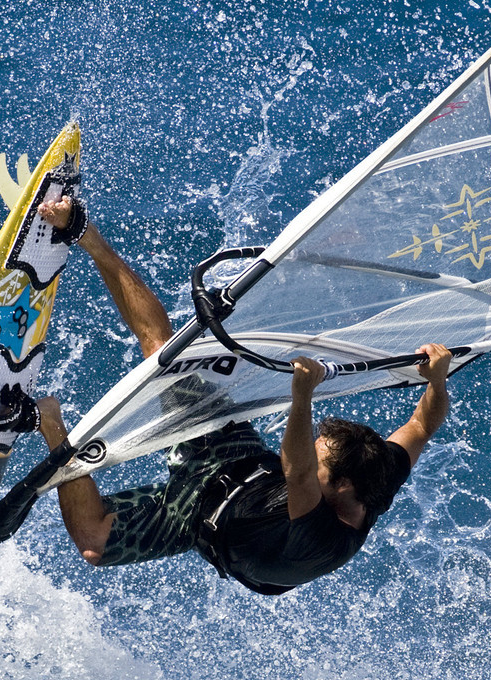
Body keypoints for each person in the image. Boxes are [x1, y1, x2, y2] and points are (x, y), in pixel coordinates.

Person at [33, 194, 453, 599]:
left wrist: (302, 396)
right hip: (235, 458)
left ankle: (47, 419)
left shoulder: (324, 537)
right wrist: (437, 379)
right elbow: (421, 425)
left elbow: (298, 472)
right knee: (165, 354)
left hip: (197, 518)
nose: (312, 453)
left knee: (93, 542)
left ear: (342, 486)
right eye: (316, 447)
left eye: (319, 455)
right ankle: (88, 236)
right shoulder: (380, 473)